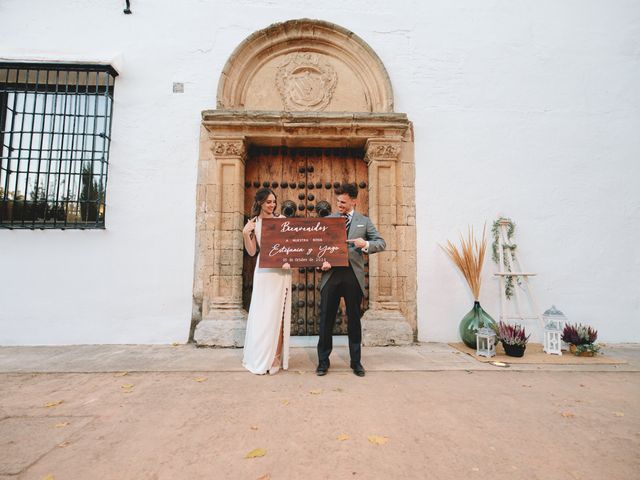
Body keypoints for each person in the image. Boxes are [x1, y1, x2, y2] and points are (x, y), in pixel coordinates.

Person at [317, 183, 386, 377]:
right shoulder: (328, 220)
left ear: (354, 201)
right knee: (325, 320)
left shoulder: (364, 221)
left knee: (354, 320)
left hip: (353, 276)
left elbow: (381, 243)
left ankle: (356, 362)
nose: (339, 204)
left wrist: (365, 244)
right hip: (330, 276)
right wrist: (321, 262)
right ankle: (323, 362)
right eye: (338, 201)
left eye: (343, 202)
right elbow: (317, 246)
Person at [242, 188, 292, 375]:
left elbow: (290, 248)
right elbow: (253, 252)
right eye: (268, 202)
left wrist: (289, 261)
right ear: (260, 203)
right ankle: (260, 355)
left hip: (281, 273)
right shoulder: (254, 223)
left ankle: (275, 357)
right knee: (263, 314)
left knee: (277, 314)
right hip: (263, 272)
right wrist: (246, 234)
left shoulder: (282, 222)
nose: (272, 205)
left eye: (273, 201)